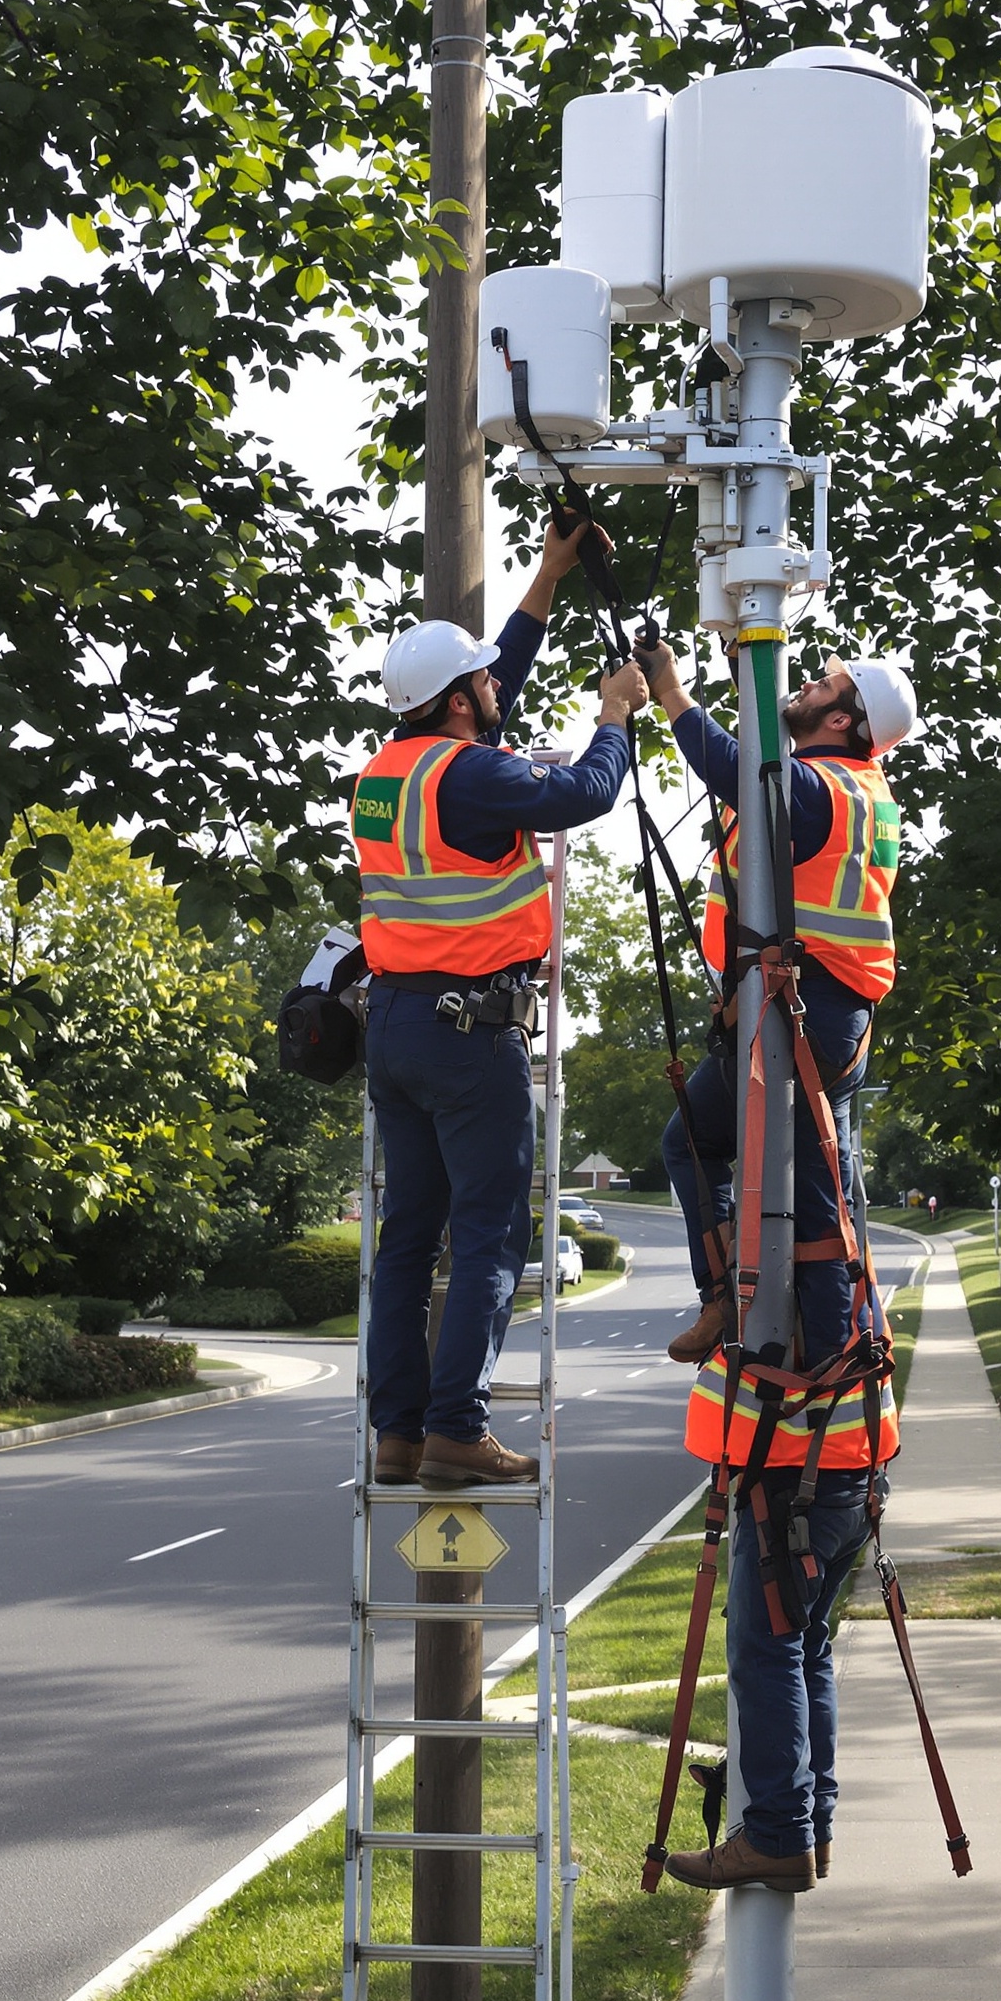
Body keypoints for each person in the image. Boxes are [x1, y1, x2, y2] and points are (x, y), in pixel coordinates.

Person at [641, 641, 917, 1893]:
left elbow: (740, 775)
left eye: (818, 684)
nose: (799, 684)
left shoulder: (818, 783)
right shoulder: (855, 796)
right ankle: (796, 1825)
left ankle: (779, 1829)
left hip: (798, 1007)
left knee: (769, 1187)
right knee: (795, 1191)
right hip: (807, 1003)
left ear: (848, 714)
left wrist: (672, 700)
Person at [352, 518, 650, 1491]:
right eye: (480, 679)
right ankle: (457, 1428)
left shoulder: (392, 773)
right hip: (469, 1033)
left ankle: (398, 1432)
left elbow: (492, 691)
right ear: (456, 699)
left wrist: (548, 578)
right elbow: (583, 795)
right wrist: (614, 717)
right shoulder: (472, 773)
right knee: (488, 1232)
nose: (497, 685)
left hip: (393, 1026)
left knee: (407, 1238)